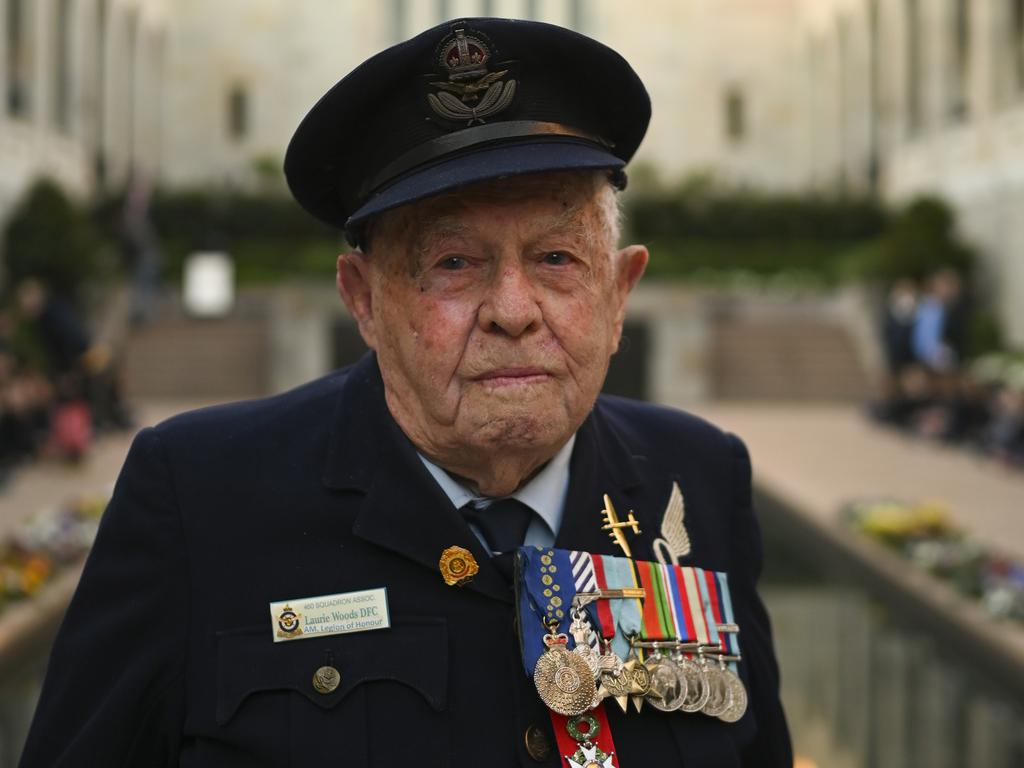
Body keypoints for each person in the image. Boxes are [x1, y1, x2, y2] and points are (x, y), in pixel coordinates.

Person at [20, 18, 791, 767]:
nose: (514, 311)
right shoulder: (197, 500)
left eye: (557, 256)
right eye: (453, 263)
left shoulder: (698, 482)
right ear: (363, 300)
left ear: (620, 295)